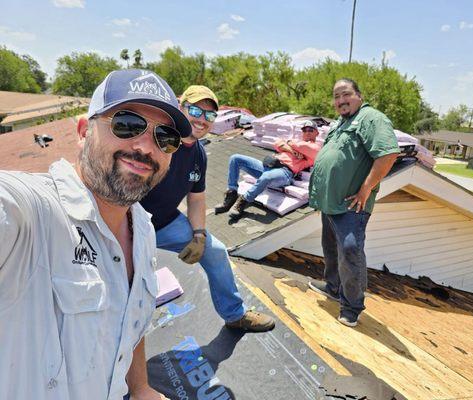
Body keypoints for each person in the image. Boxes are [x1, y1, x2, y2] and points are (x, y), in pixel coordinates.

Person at [0, 69, 191, 399]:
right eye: (127, 124)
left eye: (165, 138)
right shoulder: (32, 214)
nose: (146, 147)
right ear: (83, 131)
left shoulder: (143, 227)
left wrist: (141, 388)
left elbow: (130, 317)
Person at [140, 85, 275, 332]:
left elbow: (197, 198)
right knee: (129, 281)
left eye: (209, 115)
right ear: (180, 108)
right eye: (195, 110)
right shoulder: (158, 139)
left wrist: (199, 234)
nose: (202, 119)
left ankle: (235, 315)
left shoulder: (199, 154)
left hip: (166, 223)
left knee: (216, 251)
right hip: (128, 224)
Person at [308, 78, 399, 327]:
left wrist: (365, 189)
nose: (340, 101)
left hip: (351, 205)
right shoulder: (341, 122)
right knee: (330, 247)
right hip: (332, 202)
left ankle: (351, 307)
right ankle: (333, 287)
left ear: (358, 95)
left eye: (345, 94)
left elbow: (388, 154)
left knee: (349, 251)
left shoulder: (372, 118)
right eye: (336, 97)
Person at [215, 120, 321, 219]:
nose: (307, 132)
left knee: (266, 176)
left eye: (310, 130)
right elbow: (277, 143)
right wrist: (291, 150)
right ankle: (231, 194)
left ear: (317, 133)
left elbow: (303, 147)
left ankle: (244, 200)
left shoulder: (316, 148)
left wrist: (288, 142)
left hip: (284, 173)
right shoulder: (296, 144)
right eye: (304, 130)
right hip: (267, 166)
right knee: (235, 158)